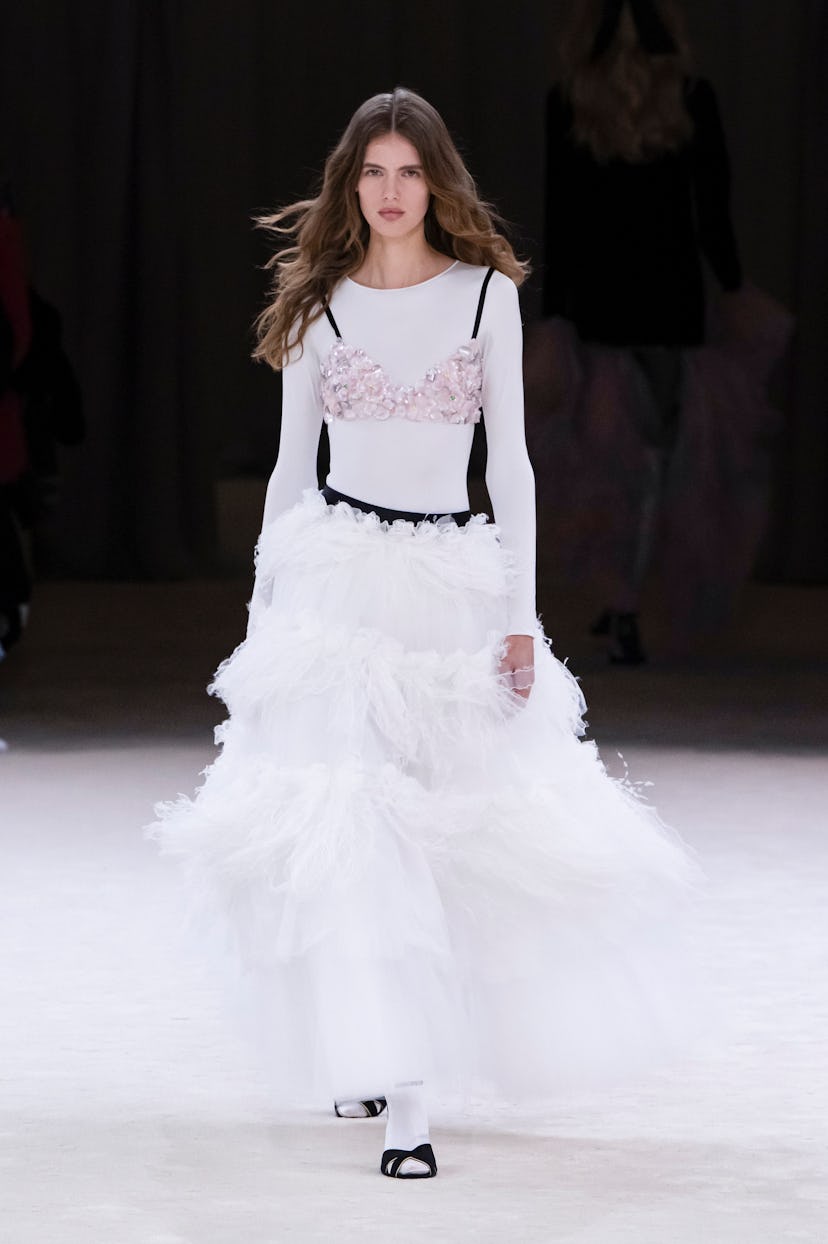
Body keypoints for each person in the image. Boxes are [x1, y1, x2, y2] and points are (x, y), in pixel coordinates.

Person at [151, 87, 699, 1180]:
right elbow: (289, 466)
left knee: (446, 829)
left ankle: (409, 1086)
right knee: (353, 831)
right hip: (339, 586)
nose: (392, 192)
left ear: (436, 179)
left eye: (409, 171)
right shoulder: (320, 303)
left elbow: (511, 466)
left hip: (449, 581)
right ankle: (390, 1072)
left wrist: (519, 616)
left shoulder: (485, 296)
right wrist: (264, 611)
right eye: (373, 172)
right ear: (348, 183)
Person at [531, 0, 791, 661]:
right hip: (668, 301)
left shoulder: (572, 102)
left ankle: (620, 601)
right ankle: (629, 600)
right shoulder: (689, 99)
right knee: (658, 461)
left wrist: (554, 313)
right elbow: (713, 213)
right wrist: (732, 289)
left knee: (605, 459)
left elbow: (561, 220)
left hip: (599, 303)